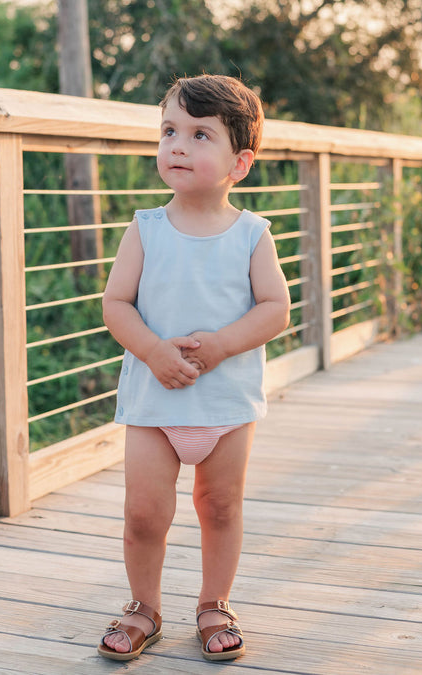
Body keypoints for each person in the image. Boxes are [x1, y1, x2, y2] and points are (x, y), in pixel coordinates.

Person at [97, 74, 290, 662]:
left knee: (221, 505)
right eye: (169, 131)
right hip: (155, 404)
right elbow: (115, 304)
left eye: (200, 134)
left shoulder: (251, 235)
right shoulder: (146, 229)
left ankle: (214, 603)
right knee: (144, 512)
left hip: (225, 403)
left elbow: (275, 309)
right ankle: (144, 607)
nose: (177, 145)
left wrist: (224, 344)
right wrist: (154, 351)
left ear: (241, 162)